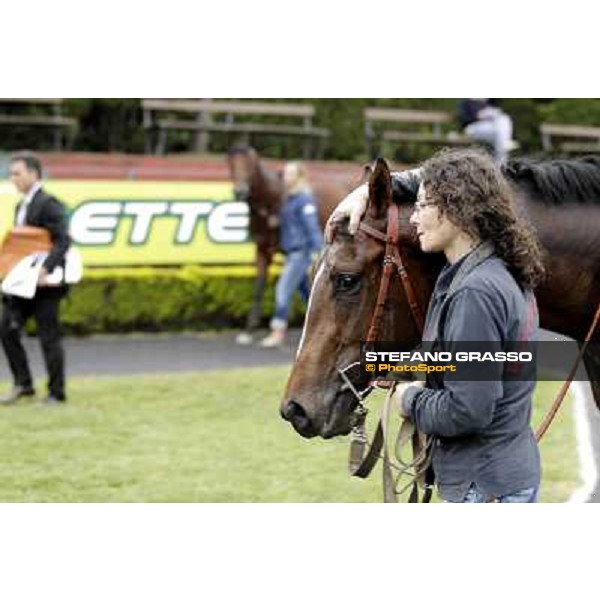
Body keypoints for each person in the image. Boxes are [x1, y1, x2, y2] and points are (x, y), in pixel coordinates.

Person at [327, 148, 545, 503]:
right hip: (497, 479)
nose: (414, 218)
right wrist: (386, 367)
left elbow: (468, 409)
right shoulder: (488, 271)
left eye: (424, 205)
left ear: (457, 209)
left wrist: (409, 399)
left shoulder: (475, 291)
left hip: (484, 489)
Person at [0, 152, 70, 406]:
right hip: (23, 283)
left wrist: (46, 269)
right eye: (11, 173)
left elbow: (64, 240)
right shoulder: (21, 205)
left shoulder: (49, 203)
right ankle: (24, 384)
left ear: (33, 173)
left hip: (46, 284)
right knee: (7, 328)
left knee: (48, 336)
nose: (13, 178)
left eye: (17, 173)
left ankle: (56, 392)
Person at [260, 162, 323, 348]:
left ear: (298, 177)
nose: (284, 177)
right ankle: (325, 329)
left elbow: (312, 228)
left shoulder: (304, 199)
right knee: (309, 295)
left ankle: (277, 333)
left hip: (300, 254)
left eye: (289, 173)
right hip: (293, 253)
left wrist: (318, 252)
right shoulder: (290, 199)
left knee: (282, 290)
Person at [458, 99, 515, 164]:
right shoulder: (467, 102)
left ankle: (502, 152)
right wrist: (478, 116)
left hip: (491, 127)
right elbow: (464, 118)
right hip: (471, 128)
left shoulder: (490, 100)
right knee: (500, 133)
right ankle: (503, 157)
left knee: (504, 119)